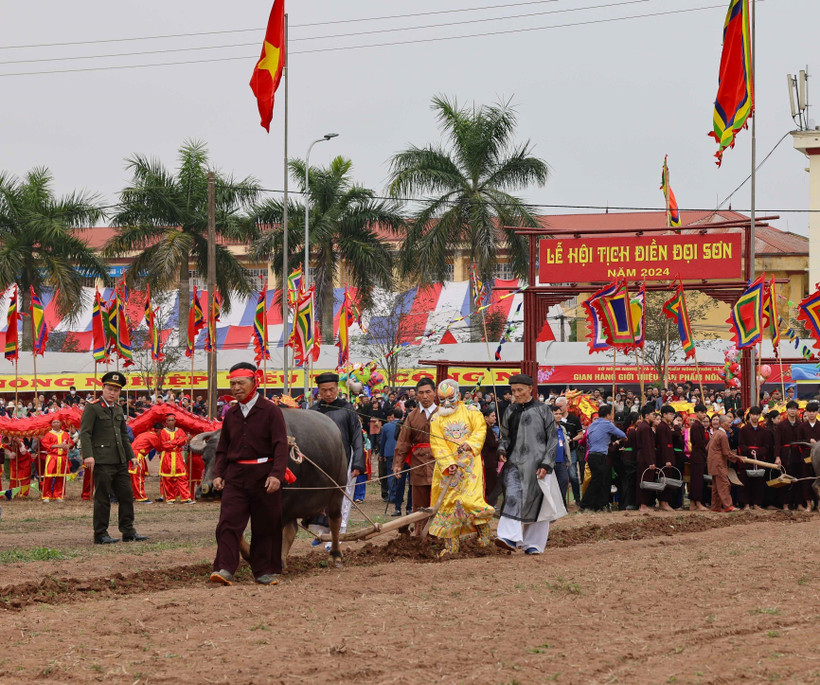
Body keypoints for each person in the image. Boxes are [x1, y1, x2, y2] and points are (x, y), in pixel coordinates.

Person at [210, 362, 289, 586]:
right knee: (228, 522)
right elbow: (223, 448)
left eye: (241, 383)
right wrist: (218, 473)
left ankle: (264, 571)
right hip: (235, 475)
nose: (236, 388)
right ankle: (225, 568)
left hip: (264, 475)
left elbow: (280, 445)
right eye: (232, 384)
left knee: (265, 524)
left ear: (254, 382)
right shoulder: (231, 413)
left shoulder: (271, 411)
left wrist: (276, 475)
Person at [495, 373, 562, 555]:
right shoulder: (510, 411)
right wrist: (501, 449)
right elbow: (505, 437)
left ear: (530, 389)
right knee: (512, 496)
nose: (516, 394)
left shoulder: (543, 410)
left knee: (538, 503)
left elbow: (552, 439)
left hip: (539, 465)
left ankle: (533, 544)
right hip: (515, 463)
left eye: (520, 390)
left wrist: (547, 464)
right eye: (513, 391)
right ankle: (508, 537)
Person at [79, 371, 148, 545]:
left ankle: (128, 531)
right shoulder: (93, 407)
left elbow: (123, 435)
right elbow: (85, 433)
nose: (112, 393)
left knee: (126, 496)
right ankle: (100, 533)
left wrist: (131, 456)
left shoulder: (118, 408)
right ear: (103, 388)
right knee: (103, 498)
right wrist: (88, 455)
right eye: (110, 389)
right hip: (102, 460)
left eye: (116, 390)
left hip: (120, 460)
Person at [428, 379, 493, 556]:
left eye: (450, 398)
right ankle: (451, 546)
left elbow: (480, 430)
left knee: (470, 501)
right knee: (448, 505)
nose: (446, 403)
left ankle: (484, 535)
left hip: (470, 466)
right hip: (447, 468)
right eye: (442, 400)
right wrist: (449, 463)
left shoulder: (472, 412)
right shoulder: (436, 418)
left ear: (458, 395)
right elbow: (437, 443)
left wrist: (470, 444)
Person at [311, 372, 364, 534]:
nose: (328, 393)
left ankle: (339, 533)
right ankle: (322, 532)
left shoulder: (347, 409)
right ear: (319, 391)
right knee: (321, 496)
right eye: (324, 390)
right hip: (320, 462)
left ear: (337, 389)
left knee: (342, 497)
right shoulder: (314, 410)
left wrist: (357, 463)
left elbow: (357, 437)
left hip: (343, 460)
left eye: (331, 389)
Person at [393, 377, 438, 536]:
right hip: (418, 464)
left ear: (434, 393)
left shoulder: (443, 414)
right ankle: (420, 534)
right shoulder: (411, 416)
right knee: (419, 503)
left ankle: (440, 535)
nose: (425, 396)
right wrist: (398, 464)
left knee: (440, 501)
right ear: (416, 395)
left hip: (440, 465)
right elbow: (403, 441)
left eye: (428, 392)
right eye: (421, 393)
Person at [580, 405, 626, 512]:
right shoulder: (607, 424)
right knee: (596, 481)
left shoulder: (592, 425)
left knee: (598, 480)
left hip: (591, 455)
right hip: (599, 456)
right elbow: (622, 434)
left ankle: (596, 505)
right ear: (608, 415)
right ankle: (585, 504)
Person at [775, 400, 810, 511]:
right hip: (785, 454)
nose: (792, 411)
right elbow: (777, 442)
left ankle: (799, 503)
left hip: (798, 454)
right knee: (785, 478)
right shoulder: (781, 425)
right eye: (790, 408)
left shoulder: (801, 425)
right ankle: (785, 504)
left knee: (799, 478)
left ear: (797, 411)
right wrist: (777, 456)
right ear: (787, 410)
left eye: (794, 409)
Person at [707, 414, 744, 512]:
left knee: (716, 486)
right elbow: (726, 452)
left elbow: (707, 447)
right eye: (728, 422)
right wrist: (738, 458)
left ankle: (715, 507)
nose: (730, 425)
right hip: (719, 463)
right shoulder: (723, 435)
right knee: (724, 484)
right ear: (722, 423)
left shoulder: (716, 433)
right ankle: (728, 506)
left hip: (712, 463)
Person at [737, 407, 767, 510]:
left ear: (760, 416)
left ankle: (756, 504)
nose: (755, 417)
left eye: (757, 415)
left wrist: (758, 452)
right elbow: (741, 444)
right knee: (745, 482)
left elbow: (766, 446)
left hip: (759, 459)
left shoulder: (763, 430)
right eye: (753, 414)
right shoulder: (744, 429)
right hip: (747, 459)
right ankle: (746, 504)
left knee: (758, 482)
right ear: (749, 415)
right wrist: (749, 451)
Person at [158, 413, 192, 504]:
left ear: (175, 421)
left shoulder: (180, 430)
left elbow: (183, 442)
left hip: (177, 456)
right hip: (167, 457)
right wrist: (177, 441)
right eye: (169, 420)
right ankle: (170, 498)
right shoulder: (163, 432)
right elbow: (164, 445)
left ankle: (186, 498)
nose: (171, 422)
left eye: (172, 420)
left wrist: (171, 442)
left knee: (182, 477)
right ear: (166, 422)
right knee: (167, 478)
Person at [39, 418, 74, 502]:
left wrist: (68, 446)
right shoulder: (48, 434)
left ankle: (58, 495)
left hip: (63, 458)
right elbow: (44, 444)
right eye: (54, 422)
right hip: (52, 457)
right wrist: (58, 446)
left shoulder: (65, 434)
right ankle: (46, 496)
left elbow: (71, 443)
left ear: (60, 423)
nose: (56, 424)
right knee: (49, 477)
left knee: (61, 477)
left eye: (57, 422)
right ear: (51, 424)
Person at [130, 423, 163, 503]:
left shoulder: (144, 433)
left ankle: (133, 495)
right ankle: (141, 497)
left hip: (131, 455)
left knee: (132, 477)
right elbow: (159, 447)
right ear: (159, 430)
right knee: (138, 477)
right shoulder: (153, 436)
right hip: (138, 456)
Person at [378, 408, 402, 509]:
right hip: (401, 452)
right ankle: (399, 495)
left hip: (389, 452)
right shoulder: (404, 425)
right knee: (401, 474)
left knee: (391, 473)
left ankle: (392, 495)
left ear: (393, 416)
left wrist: (381, 454)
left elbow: (382, 441)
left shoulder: (386, 426)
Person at [688, 404, 709, 511]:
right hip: (698, 454)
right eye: (702, 412)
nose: (704, 414)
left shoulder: (698, 425)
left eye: (705, 412)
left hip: (698, 454)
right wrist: (706, 451)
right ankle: (698, 502)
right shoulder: (696, 426)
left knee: (696, 479)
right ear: (696, 413)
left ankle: (693, 503)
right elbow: (699, 442)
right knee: (697, 480)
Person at [550, 405, 570, 507]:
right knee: (552, 485)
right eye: (556, 414)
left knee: (564, 481)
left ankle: (561, 504)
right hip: (550, 461)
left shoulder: (562, 428)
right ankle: (552, 506)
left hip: (561, 460)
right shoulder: (547, 429)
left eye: (560, 414)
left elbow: (565, 445)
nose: (558, 416)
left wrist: (567, 459)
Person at [481, 407, 501, 506]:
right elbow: (492, 444)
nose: (495, 418)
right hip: (489, 460)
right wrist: (500, 442)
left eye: (495, 416)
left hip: (490, 459)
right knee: (491, 483)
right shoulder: (486, 429)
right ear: (486, 418)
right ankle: (490, 504)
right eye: (492, 416)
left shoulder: (487, 428)